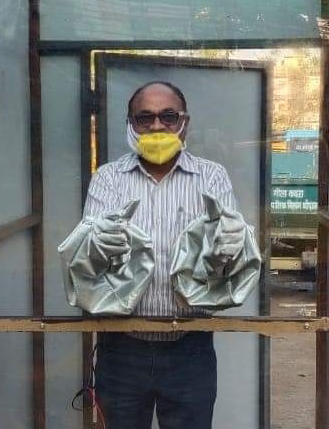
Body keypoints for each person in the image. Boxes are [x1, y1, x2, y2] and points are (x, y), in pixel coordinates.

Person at [81, 80, 257, 429]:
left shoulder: (211, 176)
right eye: (144, 118)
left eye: (168, 116)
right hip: (121, 348)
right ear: (129, 125)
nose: (157, 126)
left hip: (189, 348)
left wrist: (231, 246)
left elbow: (228, 258)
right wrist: (98, 244)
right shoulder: (108, 179)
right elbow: (90, 260)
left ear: (184, 122)